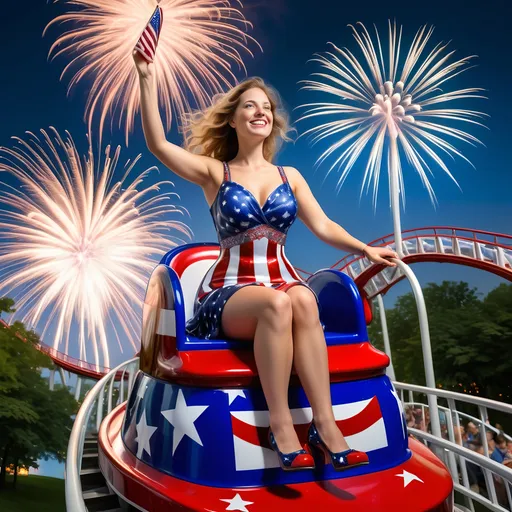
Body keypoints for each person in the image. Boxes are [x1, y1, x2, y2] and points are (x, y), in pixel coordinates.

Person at [132, 44, 398, 472]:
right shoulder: (216, 172)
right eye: (250, 107)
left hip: (284, 283)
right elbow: (159, 144)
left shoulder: (288, 176)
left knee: (304, 299)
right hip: (230, 293)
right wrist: (146, 76)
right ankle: (279, 423)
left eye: (267, 108)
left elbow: (324, 225)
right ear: (233, 119)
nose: (261, 112)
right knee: (277, 304)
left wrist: (365, 248)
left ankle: (325, 425)